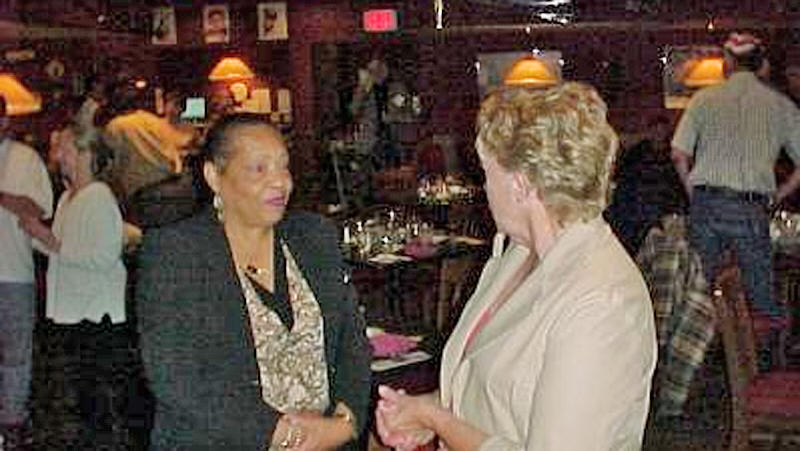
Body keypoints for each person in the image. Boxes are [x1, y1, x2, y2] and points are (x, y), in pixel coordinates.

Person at [376, 82, 657, 450]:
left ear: (521, 185)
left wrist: (438, 420)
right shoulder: (519, 253)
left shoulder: (603, 303)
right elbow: (489, 388)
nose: (484, 188)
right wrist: (426, 410)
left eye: (487, 174)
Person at [135, 113, 371, 449]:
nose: (280, 182)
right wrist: (283, 435)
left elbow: (352, 342)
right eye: (259, 169)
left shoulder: (313, 237)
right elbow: (178, 378)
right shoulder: (176, 252)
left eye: (283, 167)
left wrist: (344, 423)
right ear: (214, 176)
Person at [671, 32, 800, 367]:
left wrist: (694, 192)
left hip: (707, 203)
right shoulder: (780, 105)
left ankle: (696, 364)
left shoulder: (704, 99)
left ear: (728, 62)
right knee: (759, 292)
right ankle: (763, 368)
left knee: (698, 291)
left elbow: (678, 154)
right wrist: (777, 196)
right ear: (759, 64)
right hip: (751, 206)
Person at [18, 121, 130, 448]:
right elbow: (62, 248)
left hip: (96, 314)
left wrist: (46, 238)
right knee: (81, 397)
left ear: (84, 153)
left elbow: (101, 256)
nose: (57, 155)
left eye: (64, 148)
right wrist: (34, 235)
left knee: (96, 400)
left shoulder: (99, 197)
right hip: (73, 311)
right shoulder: (68, 197)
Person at [0, 96, 53, 444]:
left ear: (4, 121)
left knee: (16, 355)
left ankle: (12, 422)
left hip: (13, 272)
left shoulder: (25, 158)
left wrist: (2, 197)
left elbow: (40, 208)